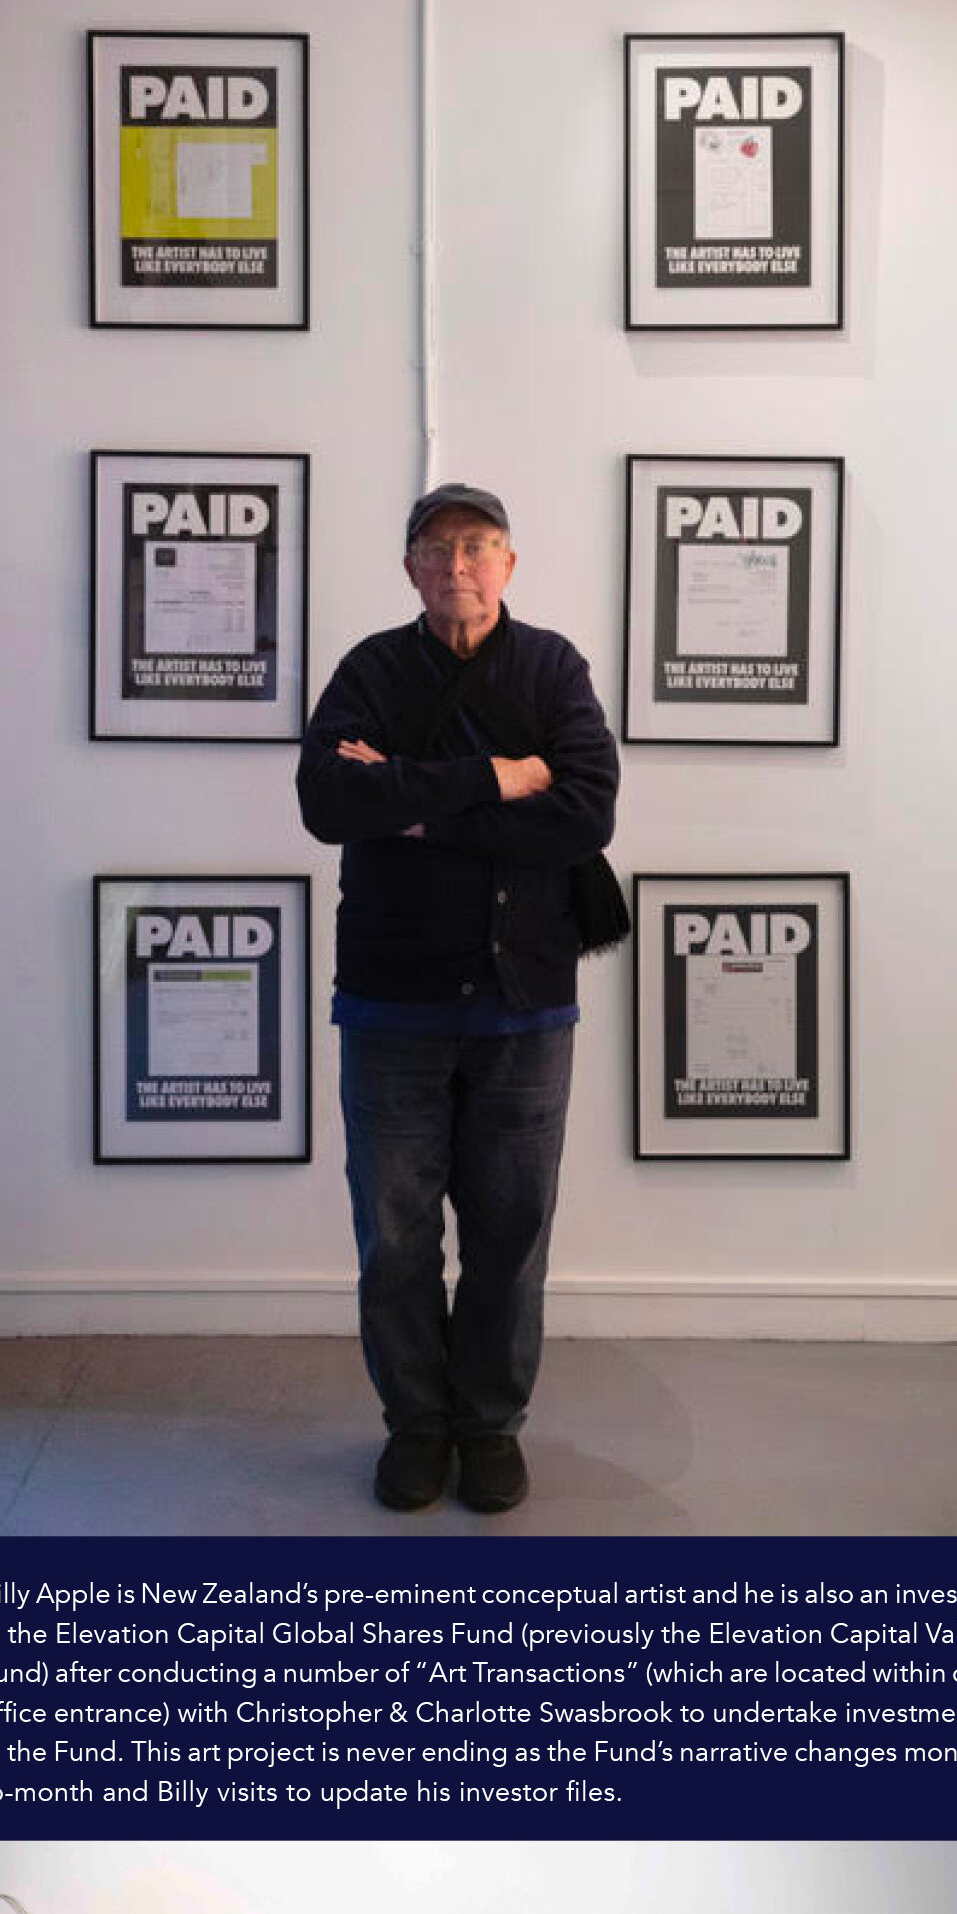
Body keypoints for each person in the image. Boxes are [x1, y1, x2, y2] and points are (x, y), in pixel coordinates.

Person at [296, 483, 619, 1513]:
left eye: (477, 545)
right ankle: (416, 1426)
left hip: (525, 1003)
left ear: (508, 563)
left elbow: (584, 814)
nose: (456, 565)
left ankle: (487, 1428)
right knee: (394, 1238)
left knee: (509, 1235)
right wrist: (496, 776)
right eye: (435, 549)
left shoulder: (552, 667)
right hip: (391, 999)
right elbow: (326, 800)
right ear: (410, 570)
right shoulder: (371, 669)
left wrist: (415, 801)